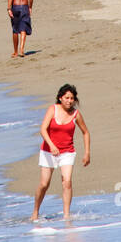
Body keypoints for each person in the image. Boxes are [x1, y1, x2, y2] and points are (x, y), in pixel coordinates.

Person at [31, 85, 91, 222]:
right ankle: (35, 212)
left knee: (67, 182)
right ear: (60, 98)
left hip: (67, 152)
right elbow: (43, 129)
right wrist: (51, 145)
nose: (69, 101)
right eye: (67, 98)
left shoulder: (76, 114)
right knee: (44, 184)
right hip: (48, 151)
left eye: (72, 98)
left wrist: (87, 152)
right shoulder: (53, 109)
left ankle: (66, 215)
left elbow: (86, 132)